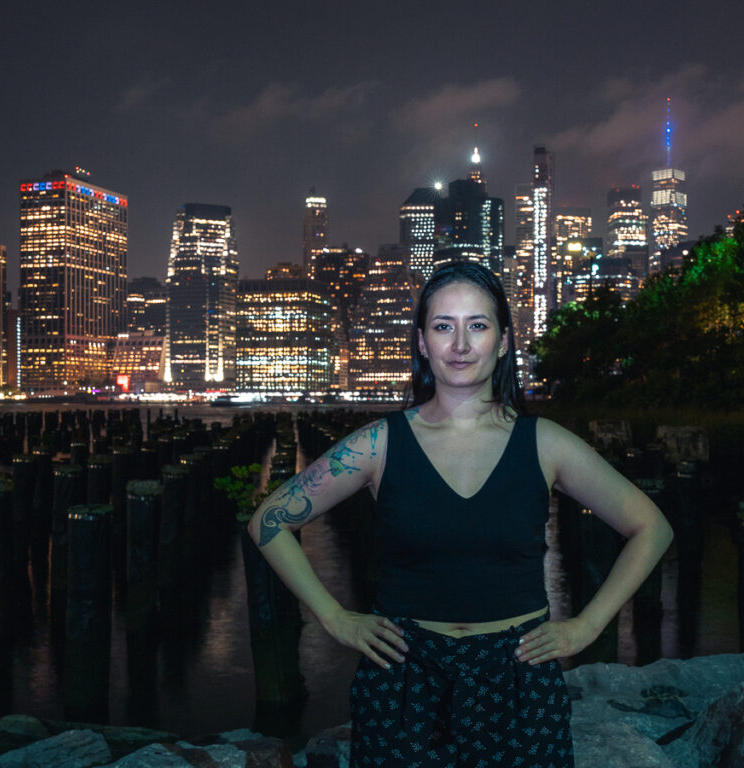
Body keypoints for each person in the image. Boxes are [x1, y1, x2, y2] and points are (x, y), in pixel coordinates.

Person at [248, 260, 673, 768]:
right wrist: (335, 618)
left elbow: (652, 527)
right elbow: (268, 521)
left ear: (505, 340)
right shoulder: (380, 444)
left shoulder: (544, 444)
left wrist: (586, 626)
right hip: (404, 680)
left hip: (517, 677)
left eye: (478, 325)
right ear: (423, 343)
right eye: (443, 326)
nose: (461, 344)